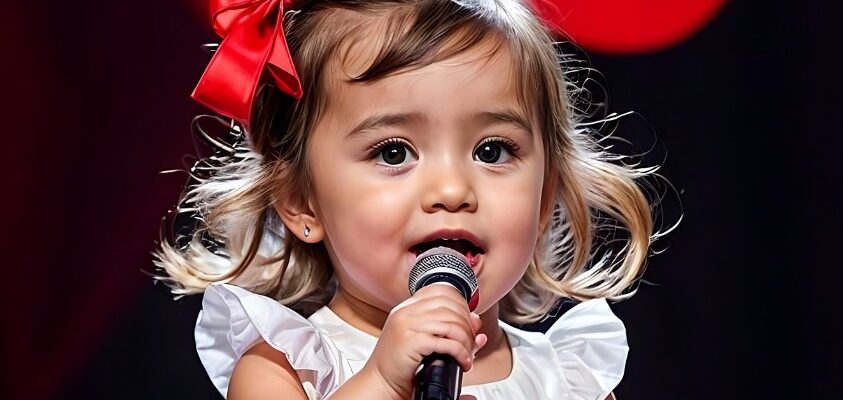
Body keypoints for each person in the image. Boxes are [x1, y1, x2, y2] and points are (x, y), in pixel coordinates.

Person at [155, 0, 665, 398]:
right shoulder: (286, 368)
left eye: (492, 150)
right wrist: (380, 381)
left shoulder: (568, 380)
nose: (452, 191)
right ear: (301, 201)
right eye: (394, 153)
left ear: (545, 192)